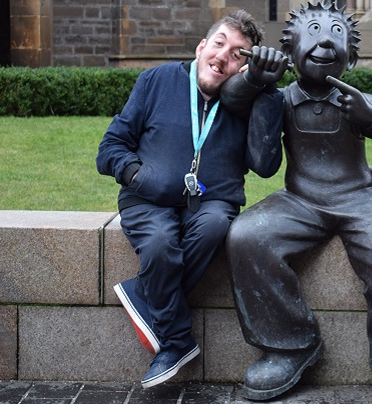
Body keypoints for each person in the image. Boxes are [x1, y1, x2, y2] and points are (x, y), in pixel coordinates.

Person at [220, 1, 372, 403]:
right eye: (314, 31)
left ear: (351, 59)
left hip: (361, 201)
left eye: (337, 33)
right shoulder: (282, 98)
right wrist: (258, 84)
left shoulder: (355, 100)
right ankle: (289, 346)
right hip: (300, 201)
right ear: (289, 51)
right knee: (246, 237)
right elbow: (251, 141)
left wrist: (369, 116)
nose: (325, 39)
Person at [96, 10, 288, 389]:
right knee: (160, 244)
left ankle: (145, 294)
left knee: (217, 225)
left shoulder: (249, 100)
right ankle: (177, 341)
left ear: (244, 67)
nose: (224, 56)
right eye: (219, 44)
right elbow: (110, 148)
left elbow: (265, 167)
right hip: (147, 200)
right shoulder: (157, 80)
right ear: (202, 46)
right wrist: (138, 175)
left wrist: (265, 91)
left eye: (238, 54)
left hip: (213, 202)